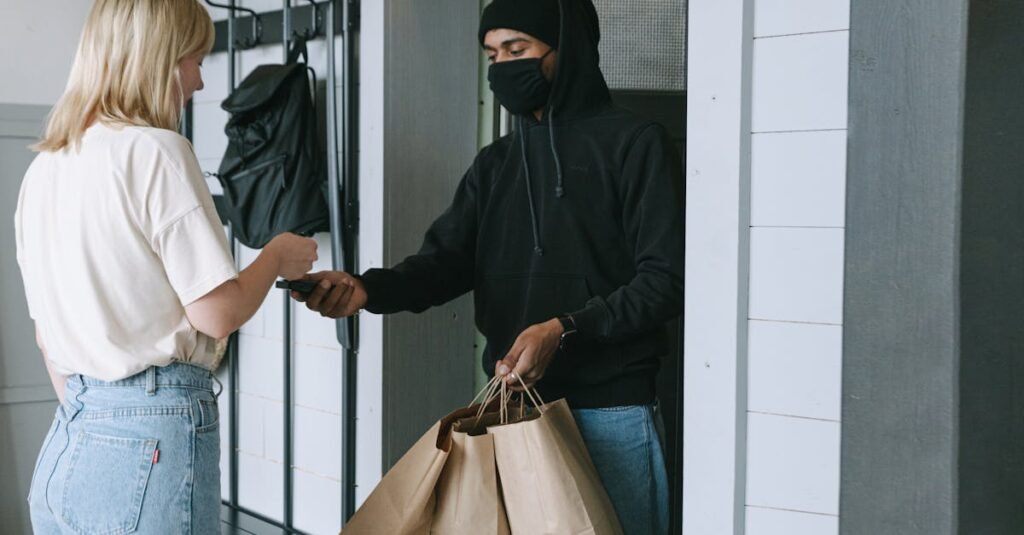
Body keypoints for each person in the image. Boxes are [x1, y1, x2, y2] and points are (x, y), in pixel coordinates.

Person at [294, 0, 683, 531]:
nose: (502, 66)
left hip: (610, 413)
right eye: (493, 54)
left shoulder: (637, 145)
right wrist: (365, 289)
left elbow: (664, 281)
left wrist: (564, 329)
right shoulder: (495, 164)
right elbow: (443, 263)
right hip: (513, 415)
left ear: (566, 50)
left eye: (517, 49)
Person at [15, 1, 317, 532]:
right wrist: (275, 256)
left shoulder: (45, 168)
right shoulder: (155, 151)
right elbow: (217, 314)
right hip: (150, 438)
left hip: (69, 441)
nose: (200, 81)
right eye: (194, 60)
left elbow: (47, 343)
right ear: (157, 60)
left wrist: (106, 414)